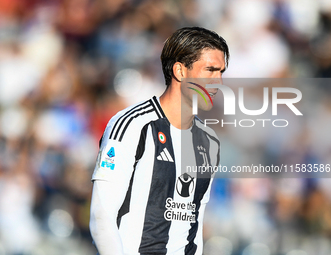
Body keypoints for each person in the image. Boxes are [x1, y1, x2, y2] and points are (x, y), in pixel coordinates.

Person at [89, 27, 229, 255]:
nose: (218, 82)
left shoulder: (209, 142)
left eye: (221, 72)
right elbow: (100, 216)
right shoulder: (133, 125)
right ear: (180, 71)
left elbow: (194, 224)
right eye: (210, 71)